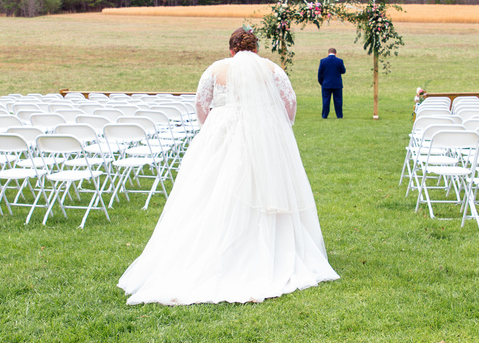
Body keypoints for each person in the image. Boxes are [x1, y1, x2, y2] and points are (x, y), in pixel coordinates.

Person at [118, 27, 339, 305]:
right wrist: (280, 127)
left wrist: (210, 128)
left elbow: (201, 103)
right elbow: (290, 102)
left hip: (222, 133)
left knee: (209, 192)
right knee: (264, 187)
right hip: (263, 134)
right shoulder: (271, 69)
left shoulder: (216, 68)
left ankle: (212, 250)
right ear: (256, 49)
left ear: (231, 50)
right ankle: (267, 251)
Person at [317, 47, 346, 119]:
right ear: (335, 54)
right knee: (338, 100)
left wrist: (322, 82)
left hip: (326, 84)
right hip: (337, 84)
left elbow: (320, 73)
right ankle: (339, 115)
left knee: (326, 100)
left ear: (328, 53)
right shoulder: (339, 61)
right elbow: (343, 71)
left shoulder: (323, 61)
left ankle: (324, 115)